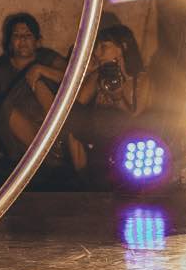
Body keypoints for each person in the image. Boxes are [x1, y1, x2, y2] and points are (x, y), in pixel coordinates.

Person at [0, 14, 67, 162]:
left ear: (38, 41)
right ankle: (45, 157)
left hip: (52, 129)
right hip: (16, 141)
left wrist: (42, 70)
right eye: (16, 35)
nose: (22, 40)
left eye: (28, 35)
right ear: (9, 42)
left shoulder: (49, 58)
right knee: (3, 106)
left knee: (39, 82)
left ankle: (52, 153)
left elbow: (75, 79)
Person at [64, 22, 150, 177]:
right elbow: (73, 107)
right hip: (98, 147)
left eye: (103, 47)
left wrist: (117, 98)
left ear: (123, 47)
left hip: (130, 153)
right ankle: (82, 175)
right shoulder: (98, 76)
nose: (97, 53)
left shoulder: (141, 80)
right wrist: (86, 73)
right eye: (96, 48)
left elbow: (136, 119)